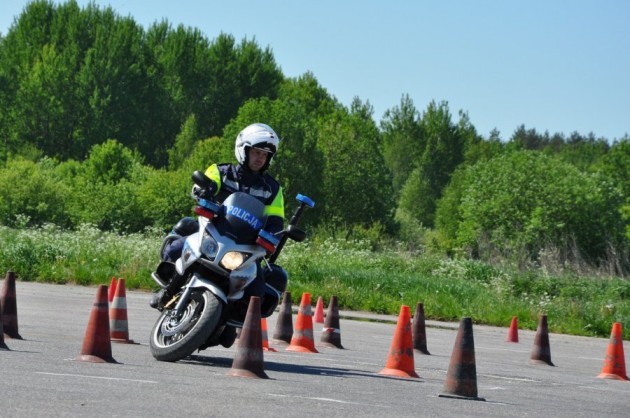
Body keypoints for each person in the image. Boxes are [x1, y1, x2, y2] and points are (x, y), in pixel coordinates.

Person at [150, 123, 286, 310]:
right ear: (243, 150)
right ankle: (167, 291)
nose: (259, 158)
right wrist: (203, 191)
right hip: (214, 230)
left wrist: (273, 235)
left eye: (264, 155)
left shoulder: (272, 189)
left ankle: (234, 320)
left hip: (245, 245)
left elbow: (276, 221)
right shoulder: (221, 171)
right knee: (176, 249)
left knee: (258, 288)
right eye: (256, 152)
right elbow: (204, 185)